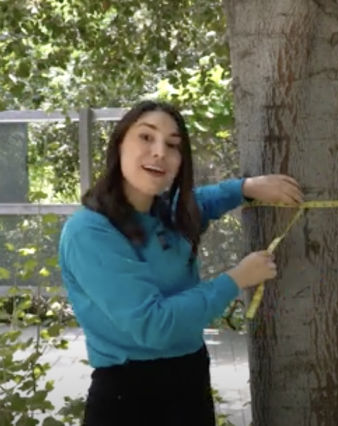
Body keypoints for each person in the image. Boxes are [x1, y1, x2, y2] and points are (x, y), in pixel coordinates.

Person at [57, 100, 304, 426]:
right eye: (146, 138)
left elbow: (201, 201)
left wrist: (246, 188)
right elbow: (153, 325)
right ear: (118, 146)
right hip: (130, 398)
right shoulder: (91, 232)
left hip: (189, 380)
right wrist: (236, 279)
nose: (160, 151)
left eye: (173, 145)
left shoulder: (162, 211)